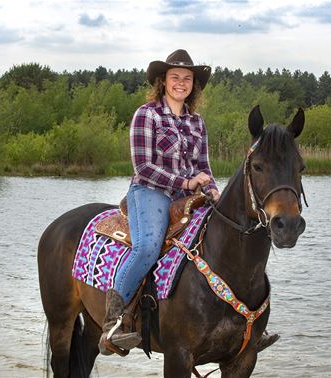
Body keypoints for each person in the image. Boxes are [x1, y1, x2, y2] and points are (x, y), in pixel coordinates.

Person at [99, 49, 220, 354]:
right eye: (175, 77)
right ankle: (112, 324)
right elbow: (143, 167)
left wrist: (214, 192)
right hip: (149, 191)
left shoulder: (197, 123)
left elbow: (204, 168)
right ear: (163, 82)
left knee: (222, 239)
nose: (181, 83)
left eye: (187, 78)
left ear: (193, 85)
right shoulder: (147, 114)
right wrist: (186, 183)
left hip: (187, 195)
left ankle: (240, 323)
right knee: (148, 245)